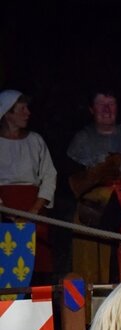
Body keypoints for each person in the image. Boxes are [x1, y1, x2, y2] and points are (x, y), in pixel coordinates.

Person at [66, 87, 121, 285]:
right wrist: (100, 171)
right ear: (91, 109)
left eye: (111, 104)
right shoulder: (82, 140)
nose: (107, 109)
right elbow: (73, 181)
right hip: (93, 213)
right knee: (92, 272)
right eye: (101, 104)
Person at [0, 89, 58, 284]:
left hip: (34, 207)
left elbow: (49, 174)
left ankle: (41, 313)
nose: (28, 112)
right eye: (22, 108)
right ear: (8, 113)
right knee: (7, 268)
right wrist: (5, 212)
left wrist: (34, 209)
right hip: (5, 210)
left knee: (38, 266)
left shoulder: (36, 141)